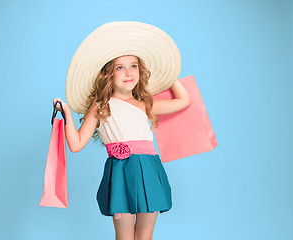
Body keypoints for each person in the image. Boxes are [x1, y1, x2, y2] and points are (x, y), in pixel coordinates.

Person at [53, 22, 190, 240]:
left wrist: (170, 75)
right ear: (107, 74)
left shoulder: (145, 104)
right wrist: (67, 113)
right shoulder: (100, 106)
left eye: (134, 66)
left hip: (150, 169)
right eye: (119, 67)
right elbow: (76, 144)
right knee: (125, 236)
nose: (128, 73)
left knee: (145, 235)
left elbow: (184, 101)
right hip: (121, 171)